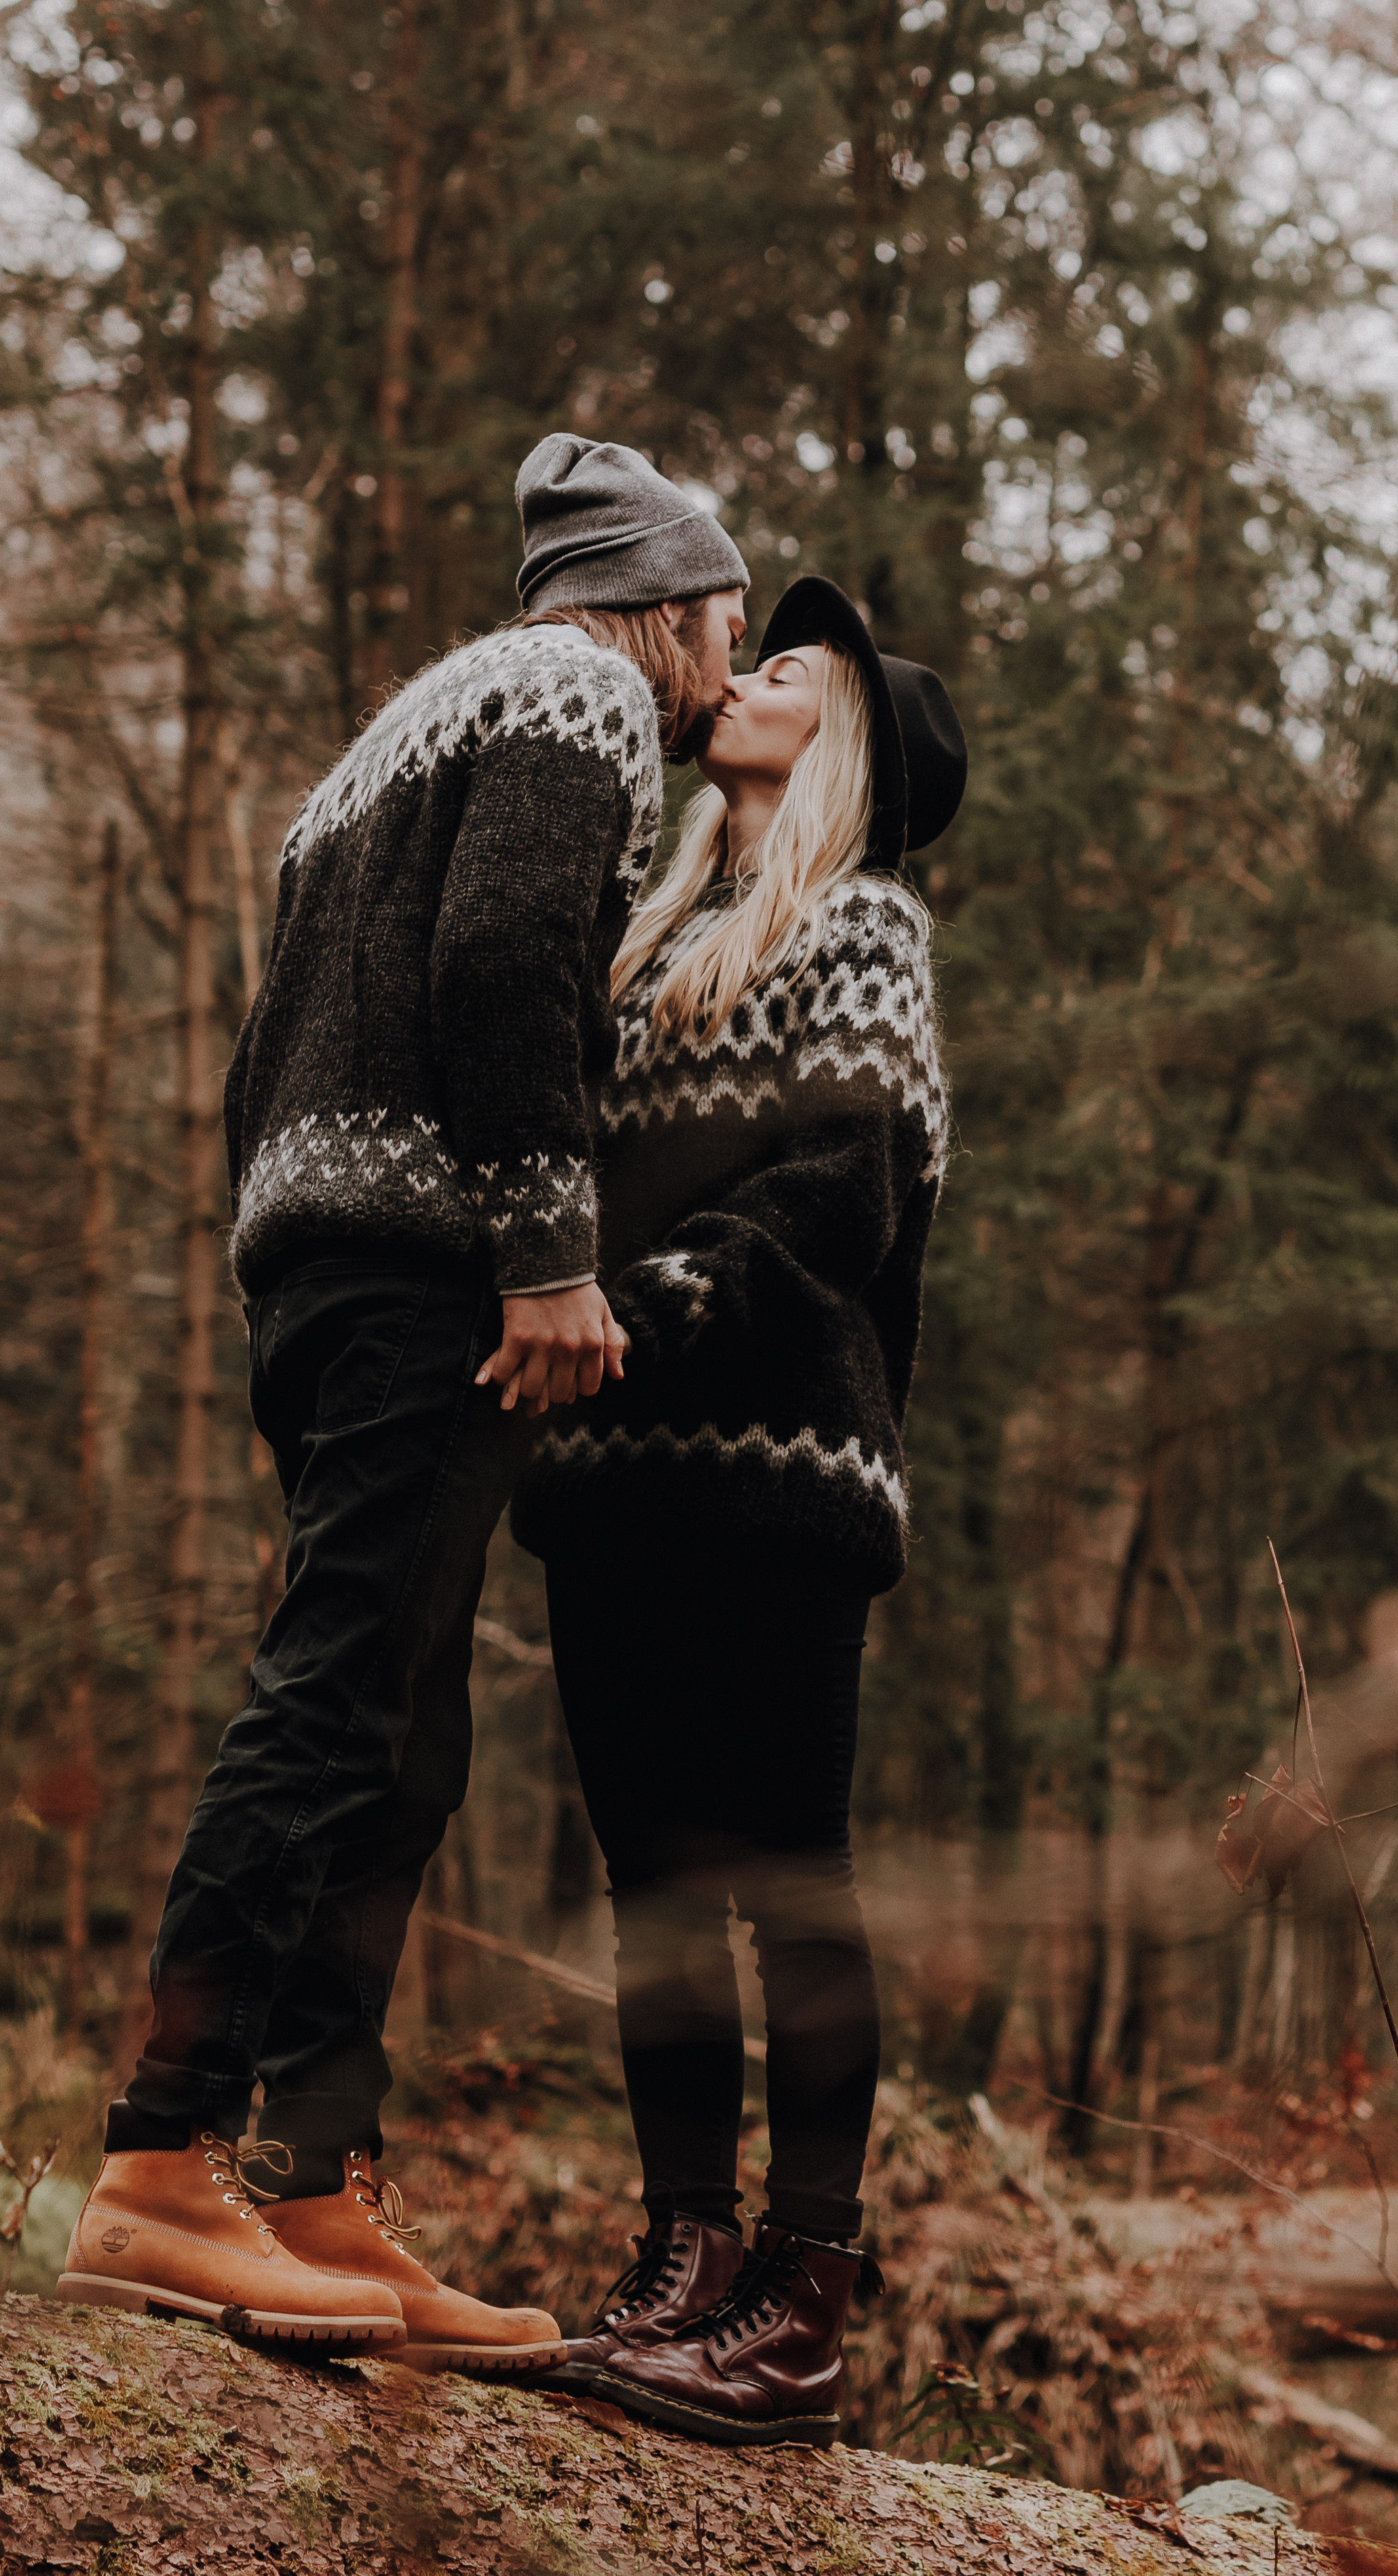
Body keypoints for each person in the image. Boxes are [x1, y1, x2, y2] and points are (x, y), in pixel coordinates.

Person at [54, 436, 751, 2368]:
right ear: (663, 605)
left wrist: (277, 1253)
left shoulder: (386, 743)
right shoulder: (581, 695)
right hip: (421, 1272)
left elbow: (267, 1046)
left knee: (404, 1729)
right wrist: (546, 1251)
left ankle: (311, 2185)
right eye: (726, 617)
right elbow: (503, 963)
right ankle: (160, 2163)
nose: (728, 662)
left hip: (320, 1265)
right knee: (340, 1691)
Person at [512, 573, 966, 2447]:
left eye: (787, 668)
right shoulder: (644, 936)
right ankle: (684, 2266)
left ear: (843, 738)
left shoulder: (865, 925)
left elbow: (841, 1193)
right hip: (604, 1480)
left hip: (783, 1478)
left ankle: (805, 2303)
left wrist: (642, 1306)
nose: (747, 674)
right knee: (657, 1896)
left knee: (790, 1884)